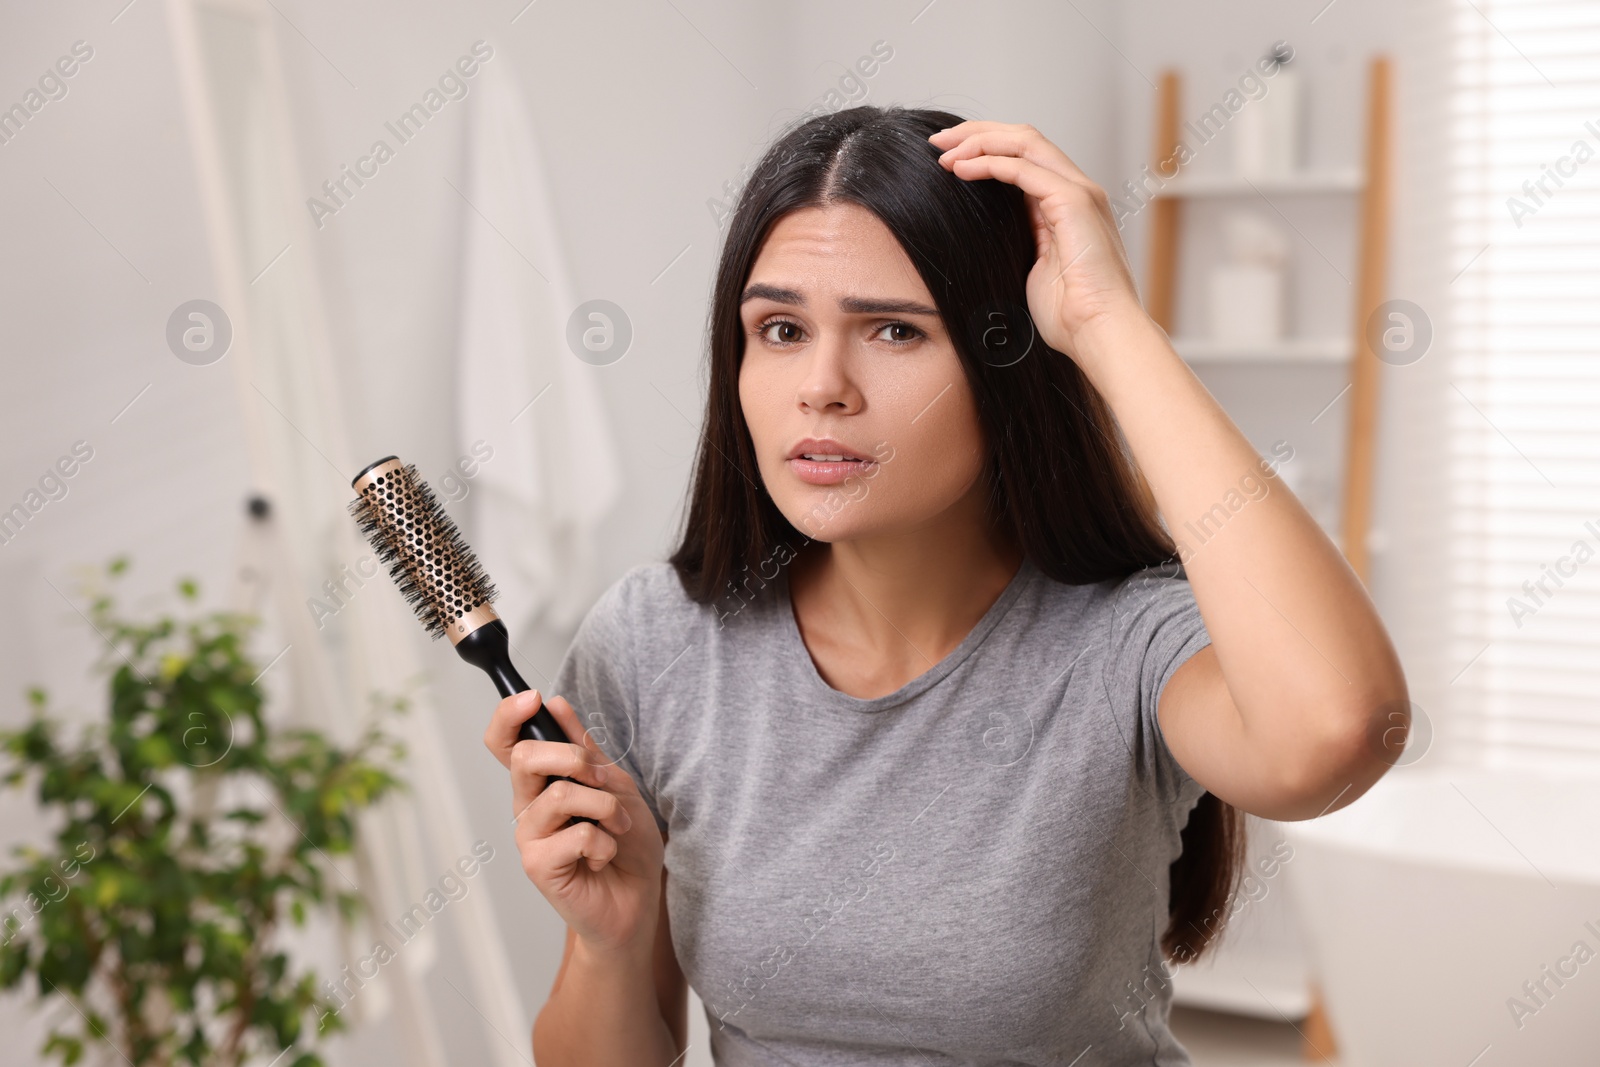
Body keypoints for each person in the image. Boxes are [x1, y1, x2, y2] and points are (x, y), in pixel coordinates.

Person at [482, 105, 1408, 1066]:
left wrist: (1107, 323)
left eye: (893, 330)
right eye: (782, 328)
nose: (823, 386)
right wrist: (612, 940)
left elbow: (1339, 733)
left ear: (1007, 360)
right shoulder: (653, 643)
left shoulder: (1127, 642)